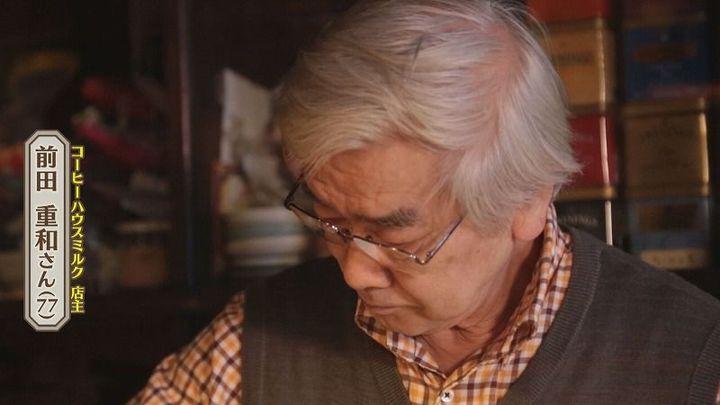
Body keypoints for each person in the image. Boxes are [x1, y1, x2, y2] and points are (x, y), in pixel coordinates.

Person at [131, 0, 720, 404]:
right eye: (331, 223)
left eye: (396, 237)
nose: (355, 272)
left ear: (527, 198)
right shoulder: (261, 339)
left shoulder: (692, 363)